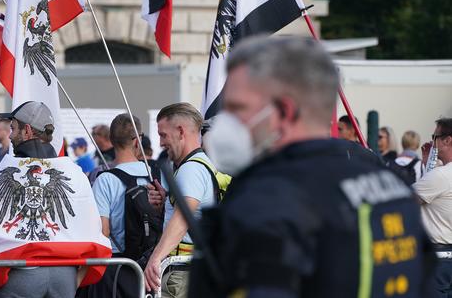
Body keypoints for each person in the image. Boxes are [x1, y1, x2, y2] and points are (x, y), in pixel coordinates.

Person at [188, 36, 434, 297]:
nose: (225, 123)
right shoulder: (393, 189)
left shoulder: (265, 203)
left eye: (238, 108)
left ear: (284, 112)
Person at [0, 101, 77, 297]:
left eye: (13, 128)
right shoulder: (72, 171)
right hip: (64, 273)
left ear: (27, 130)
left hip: (20, 272)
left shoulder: (6, 169)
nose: (10, 135)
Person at [143, 103, 216, 297]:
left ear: (181, 131)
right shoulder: (201, 164)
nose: (160, 143)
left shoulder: (191, 169)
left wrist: (155, 258)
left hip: (181, 275)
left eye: (163, 135)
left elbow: (184, 217)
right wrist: (165, 203)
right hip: (189, 271)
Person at [87, 114, 156, 297]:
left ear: (111, 140)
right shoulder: (154, 174)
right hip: (153, 265)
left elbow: (103, 230)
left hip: (116, 265)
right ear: (138, 140)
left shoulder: (105, 179)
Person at [412, 118, 452, 297]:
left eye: (435, 137)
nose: (433, 142)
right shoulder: (440, 175)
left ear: (447, 140)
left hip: (439, 259)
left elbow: (406, 201)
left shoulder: (441, 176)